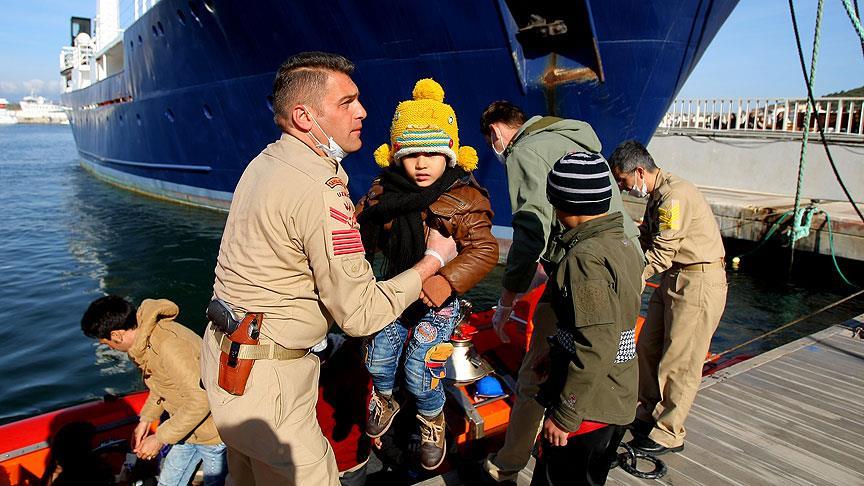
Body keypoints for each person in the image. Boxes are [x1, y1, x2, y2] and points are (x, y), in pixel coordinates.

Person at [200, 52, 456, 486]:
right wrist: (433, 261)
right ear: (305, 117)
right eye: (347, 102)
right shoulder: (319, 189)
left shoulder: (264, 163)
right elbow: (359, 313)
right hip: (270, 385)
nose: (363, 111)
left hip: (225, 364)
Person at [478, 101, 641, 482]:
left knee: (535, 370)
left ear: (496, 132)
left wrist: (507, 299)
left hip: (579, 272)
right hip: (623, 260)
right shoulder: (577, 140)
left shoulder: (524, 151)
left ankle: (509, 462)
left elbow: (530, 232)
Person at [356, 78, 499, 470]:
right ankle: (385, 397)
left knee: (421, 372)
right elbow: (357, 230)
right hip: (396, 290)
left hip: (439, 302)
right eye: (412, 154)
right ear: (395, 155)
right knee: (378, 359)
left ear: (450, 154)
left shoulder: (465, 198)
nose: (422, 164)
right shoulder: (382, 192)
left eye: (432, 153)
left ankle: (432, 416)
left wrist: (447, 279)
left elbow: (485, 248)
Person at [608, 140, 727, 455]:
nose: (622, 187)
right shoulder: (658, 195)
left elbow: (662, 251)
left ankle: (669, 431)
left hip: (697, 281)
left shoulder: (674, 197)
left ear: (639, 171)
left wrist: (632, 279)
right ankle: (648, 410)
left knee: (680, 361)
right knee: (648, 348)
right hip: (673, 278)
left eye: (623, 180)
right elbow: (646, 238)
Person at [531, 152, 643, 486]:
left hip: (590, 409)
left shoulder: (585, 260)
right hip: (616, 392)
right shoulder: (622, 243)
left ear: (562, 204)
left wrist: (565, 415)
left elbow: (596, 343)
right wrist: (556, 353)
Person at [80, 295, 227, 486]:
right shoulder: (142, 346)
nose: (110, 348)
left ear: (116, 335)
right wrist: (146, 419)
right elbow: (162, 385)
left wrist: (159, 438)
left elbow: (201, 399)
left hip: (214, 435)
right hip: (186, 430)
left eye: (106, 343)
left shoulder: (169, 346)